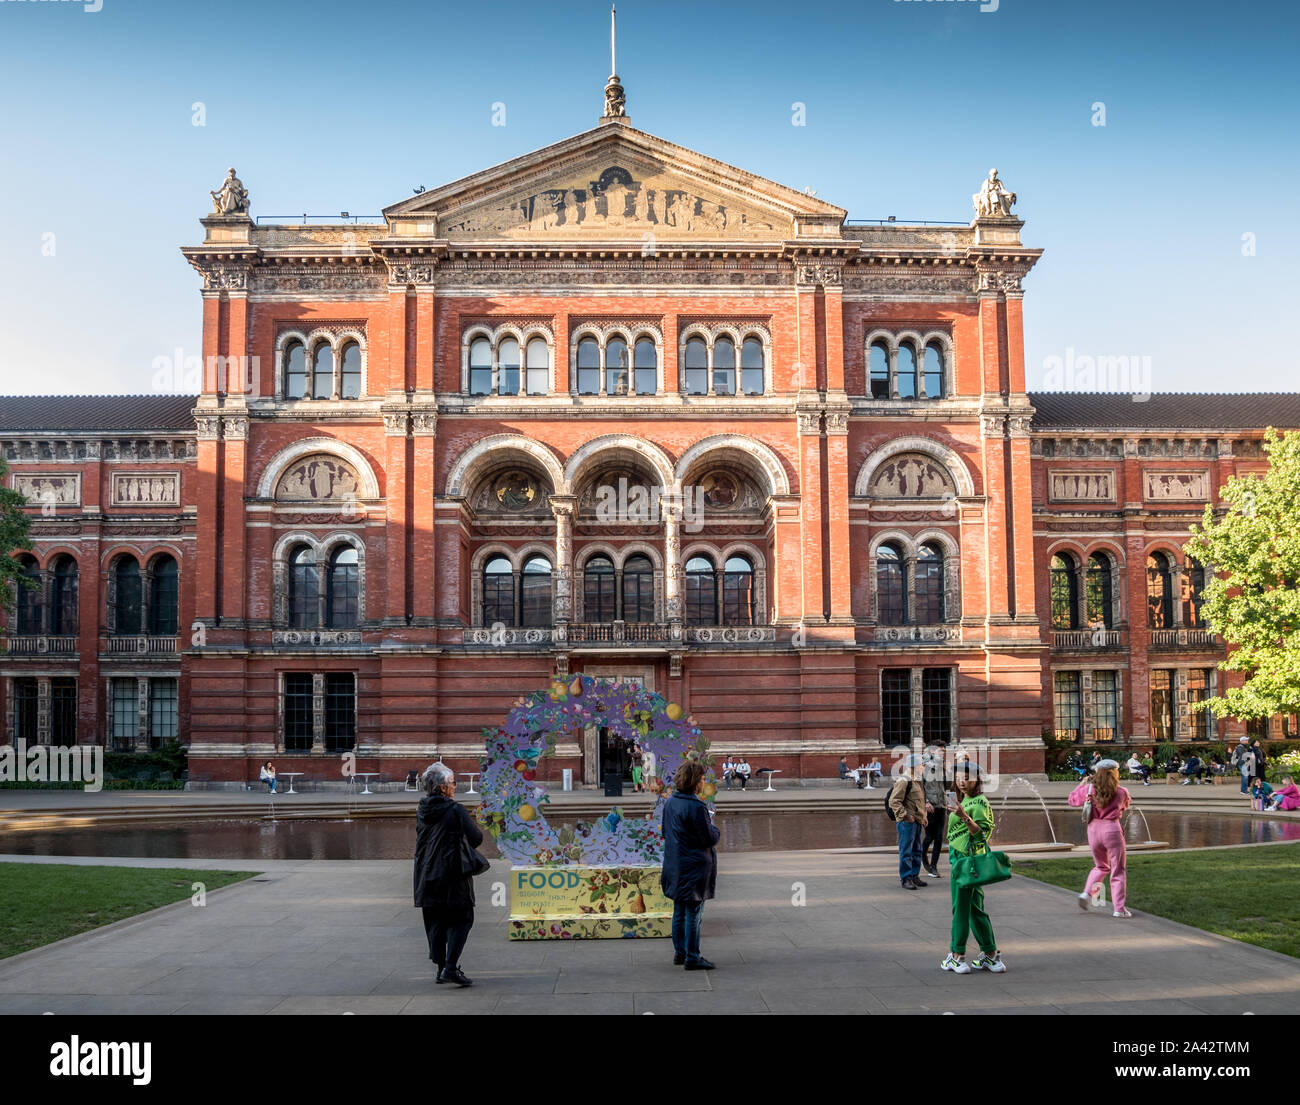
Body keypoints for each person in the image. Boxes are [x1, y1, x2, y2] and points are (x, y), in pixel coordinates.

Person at [413, 763, 482, 987]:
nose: (455, 786)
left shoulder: (422, 808)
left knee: (436, 920)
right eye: (452, 782)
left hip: (426, 872)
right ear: (443, 787)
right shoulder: (455, 809)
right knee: (463, 918)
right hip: (451, 872)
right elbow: (476, 838)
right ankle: (450, 968)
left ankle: (440, 969)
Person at [940, 762, 1004, 974]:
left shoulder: (979, 802)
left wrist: (963, 816)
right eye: (959, 777)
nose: (962, 781)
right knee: (975, 909)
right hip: (963, 858)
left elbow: (981, 834)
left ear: (977, 780)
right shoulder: (964, 800)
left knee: (960, 908)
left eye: (967, 777)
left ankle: (957, 956)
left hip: (967, 861)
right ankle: (991, 955)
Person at [660, 760, 719, 970]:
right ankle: (693, 957)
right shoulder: (696, 806)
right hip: (694, 868)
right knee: (694, 913)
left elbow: (665, 833)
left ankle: (680, 953)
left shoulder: (670, 802)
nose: (704, 782)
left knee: (679, 910)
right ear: (695, 781)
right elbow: (708, 838)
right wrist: (714, 827)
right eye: (702, 778)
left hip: (675, 865)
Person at [1068, 759, 1132, 918]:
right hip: (1112, 829)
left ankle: (1087, 893)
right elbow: (1125, 806)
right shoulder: (1121, 791)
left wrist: (1082, 785)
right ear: (1115, 772)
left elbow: (1072, 800)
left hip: (1093, 830)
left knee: (1101, 866)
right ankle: (1119, 909)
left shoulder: (1089, 790)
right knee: (1117, 869)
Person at [889, 754, 929, 890]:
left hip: (917, 820)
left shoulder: (917, 780)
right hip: (907, 822)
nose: (923, 768)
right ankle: (906, 878)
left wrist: (924, 817)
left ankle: (914, 876)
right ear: (914, 766)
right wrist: (905, 815)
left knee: (917, 849)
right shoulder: (904, 780)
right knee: (906, 851)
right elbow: (894, 801)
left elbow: (919, 801)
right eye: (922, 765)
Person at [920, 753, 948, 879]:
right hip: (930, 808)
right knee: (929, 836)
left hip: (941, 806)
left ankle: (933, 866)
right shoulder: (922, 772)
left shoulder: (941, 770)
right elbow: (920, 789)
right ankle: (923, 852)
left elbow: (947, 785)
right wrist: (925, 802)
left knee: (939, 837)